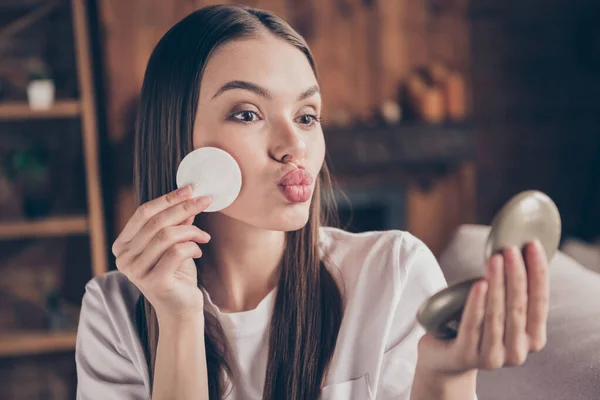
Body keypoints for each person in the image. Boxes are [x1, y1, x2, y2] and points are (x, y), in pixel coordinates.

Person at [75, 5, 550, 400]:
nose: (293, 145)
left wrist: (445, 377)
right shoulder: (113, 311)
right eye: (247, 113)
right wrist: (177, 320)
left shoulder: (394, 271)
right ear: (176, 139)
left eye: (306, 116)